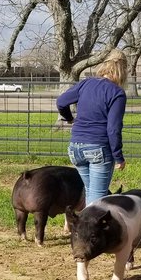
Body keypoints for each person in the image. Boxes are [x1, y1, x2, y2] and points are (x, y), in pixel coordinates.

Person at [55, 50, 128, 203]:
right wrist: (118, 156)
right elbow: (113, 129)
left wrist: (69, 119)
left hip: (75, 148)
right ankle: (83, 226)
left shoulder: (85, 83)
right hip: (98, 149)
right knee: (96, 202)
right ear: (123, 71)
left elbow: (61, 101)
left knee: (90, 194)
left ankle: (79, 223)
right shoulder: (117, 93)